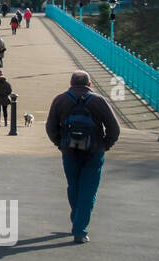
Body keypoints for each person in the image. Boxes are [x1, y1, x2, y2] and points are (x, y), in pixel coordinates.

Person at [45, 71, 122, 244]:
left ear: (70, 83)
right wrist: (104, 145)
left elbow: (50, 128)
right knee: (89, 189)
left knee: (74, 186)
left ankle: (77, 220)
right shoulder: (99, 101)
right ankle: (80, 230)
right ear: (89, 84)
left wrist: (61, 144)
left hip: (69, 152)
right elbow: (114, 130)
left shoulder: (60, 100)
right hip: (93, 153)